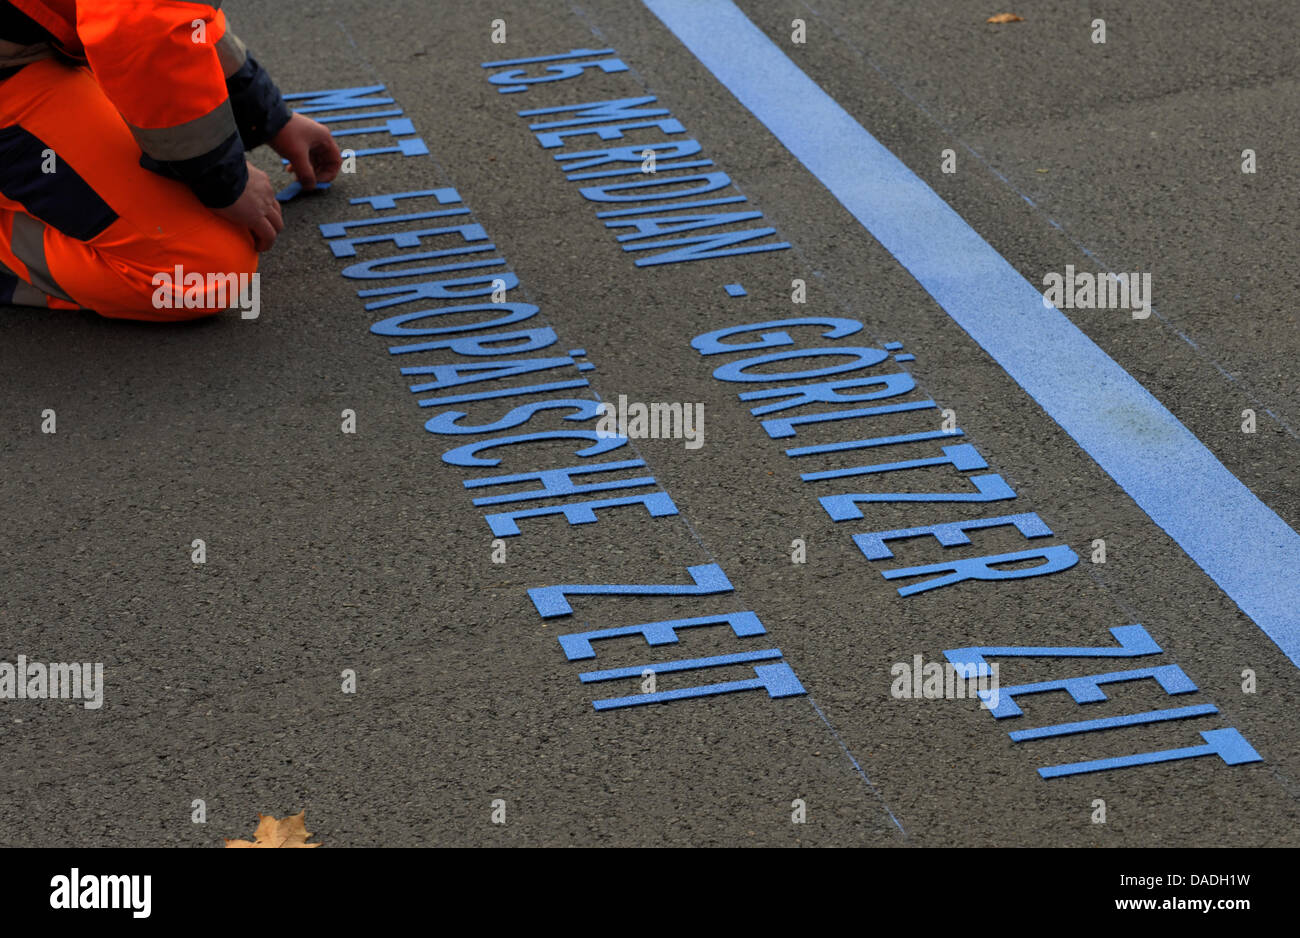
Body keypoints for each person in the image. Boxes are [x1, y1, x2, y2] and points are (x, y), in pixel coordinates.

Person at [0, 0, 341, 321]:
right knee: (196, 278)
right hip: (21, 62)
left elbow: (175, 14)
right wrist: (224, 179)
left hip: (34, 50)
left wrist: (261, 112)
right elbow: (141, 21)